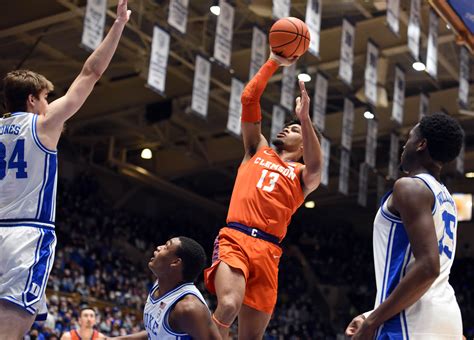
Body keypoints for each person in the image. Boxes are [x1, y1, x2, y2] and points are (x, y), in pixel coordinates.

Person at [0, 1, 131, 338]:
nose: (49, 103)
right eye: (46, 96)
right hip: (25, 233)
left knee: (33, 319)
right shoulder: (44, 124)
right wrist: (118, 25)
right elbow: (91, 73)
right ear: (32, 99)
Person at [204, 53, 323, 339]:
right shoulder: (256, 149)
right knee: (229, 304)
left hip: (269, 251)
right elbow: (248, 99)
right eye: (289, 125)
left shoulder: (303, 175)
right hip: (236, 237)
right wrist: (273, 62)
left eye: (294, 129)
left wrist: (304, 119)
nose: (287, 128)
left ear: (303, 144)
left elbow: (318, 165)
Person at [345, 113, 464, 339]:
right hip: (444, 317)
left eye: (409, 138)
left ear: (421, 144)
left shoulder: (410, 188)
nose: (404, 144)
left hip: (411, 321)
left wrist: (372, 322)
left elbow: (428, 267)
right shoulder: (446, 198)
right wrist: (373, 313)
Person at [109, 237, 221, 340]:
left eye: (166, 246)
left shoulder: (187, 308)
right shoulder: (159, 284)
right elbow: (156, 334)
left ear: (175, 262)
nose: (158, 247)